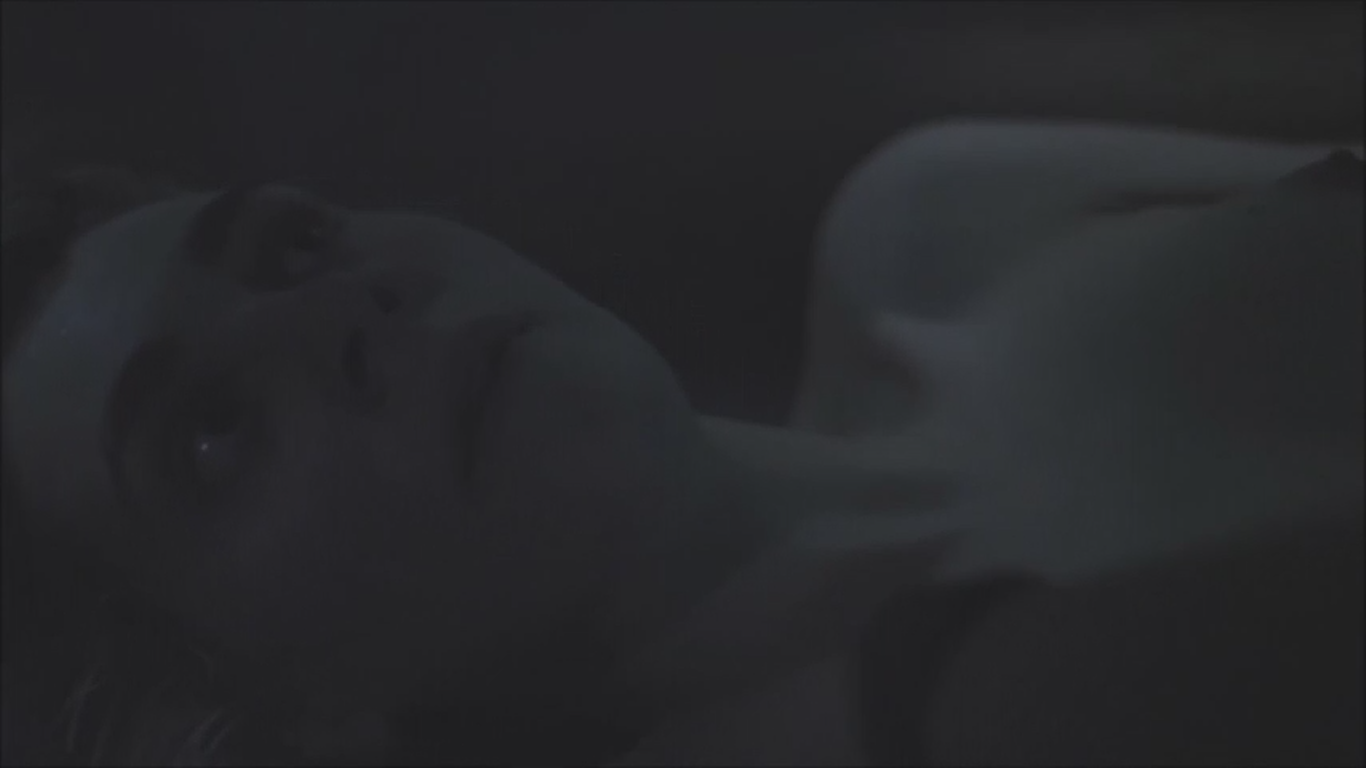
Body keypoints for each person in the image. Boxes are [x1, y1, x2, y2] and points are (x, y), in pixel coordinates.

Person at [2, 120, 1362, 766]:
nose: (341, 313)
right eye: (211, 434)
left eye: (293, 244)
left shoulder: (936, 226)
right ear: (275, 715)